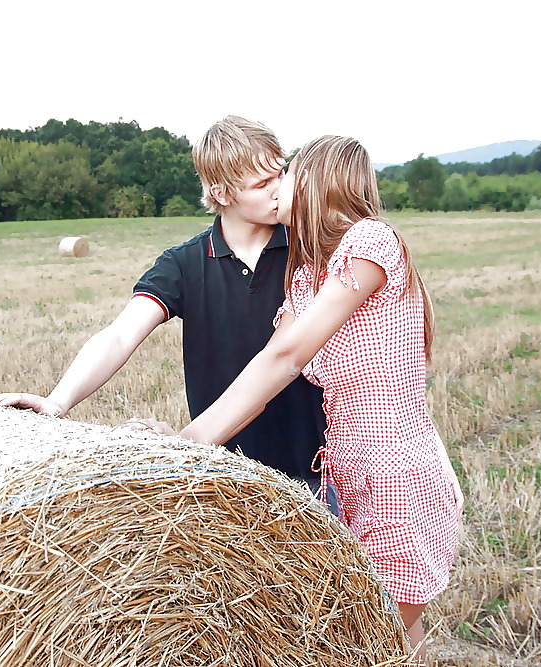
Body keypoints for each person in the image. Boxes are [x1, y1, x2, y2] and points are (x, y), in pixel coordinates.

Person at [176, 135, 464, 663]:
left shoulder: (372, 243)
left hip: (395, 471)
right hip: (343, 473)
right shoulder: (307, 275)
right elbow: (270, 374)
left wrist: (191, 439)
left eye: (286, 174)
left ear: (318, 183)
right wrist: (187, 449)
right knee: (391, 634)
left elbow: (286, 356)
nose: (275, 185)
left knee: (376, 638)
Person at [0, 115, 329, 495]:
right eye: (262, 183)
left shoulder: (311, 251)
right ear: (223, 193)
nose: (279, 189)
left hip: (320, 468)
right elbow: (120, 335)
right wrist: (57, 401)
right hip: (226, 478)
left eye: (280, 174)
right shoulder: (184, 265)